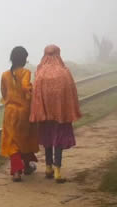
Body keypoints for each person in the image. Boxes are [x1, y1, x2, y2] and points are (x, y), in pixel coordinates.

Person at [29, 44, 82, 183]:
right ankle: (57, 171)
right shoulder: (64, 72)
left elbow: (36, 95)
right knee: (58, 139)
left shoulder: (40, 73)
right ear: (58, 54)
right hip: (61, 114)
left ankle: (48, 168)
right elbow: (72, 93)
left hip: (45, 114)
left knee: (47, 138)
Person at [0, 46, 40, 182]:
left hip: (10, 112)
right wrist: (30, 93)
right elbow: (25, 87)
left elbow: (4, 93)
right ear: (23, 59)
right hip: (24, 112)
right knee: (25, 139)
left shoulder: (5, 75)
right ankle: (27, 166)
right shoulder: (26, 72)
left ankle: (16, 172)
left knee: (12, 141)